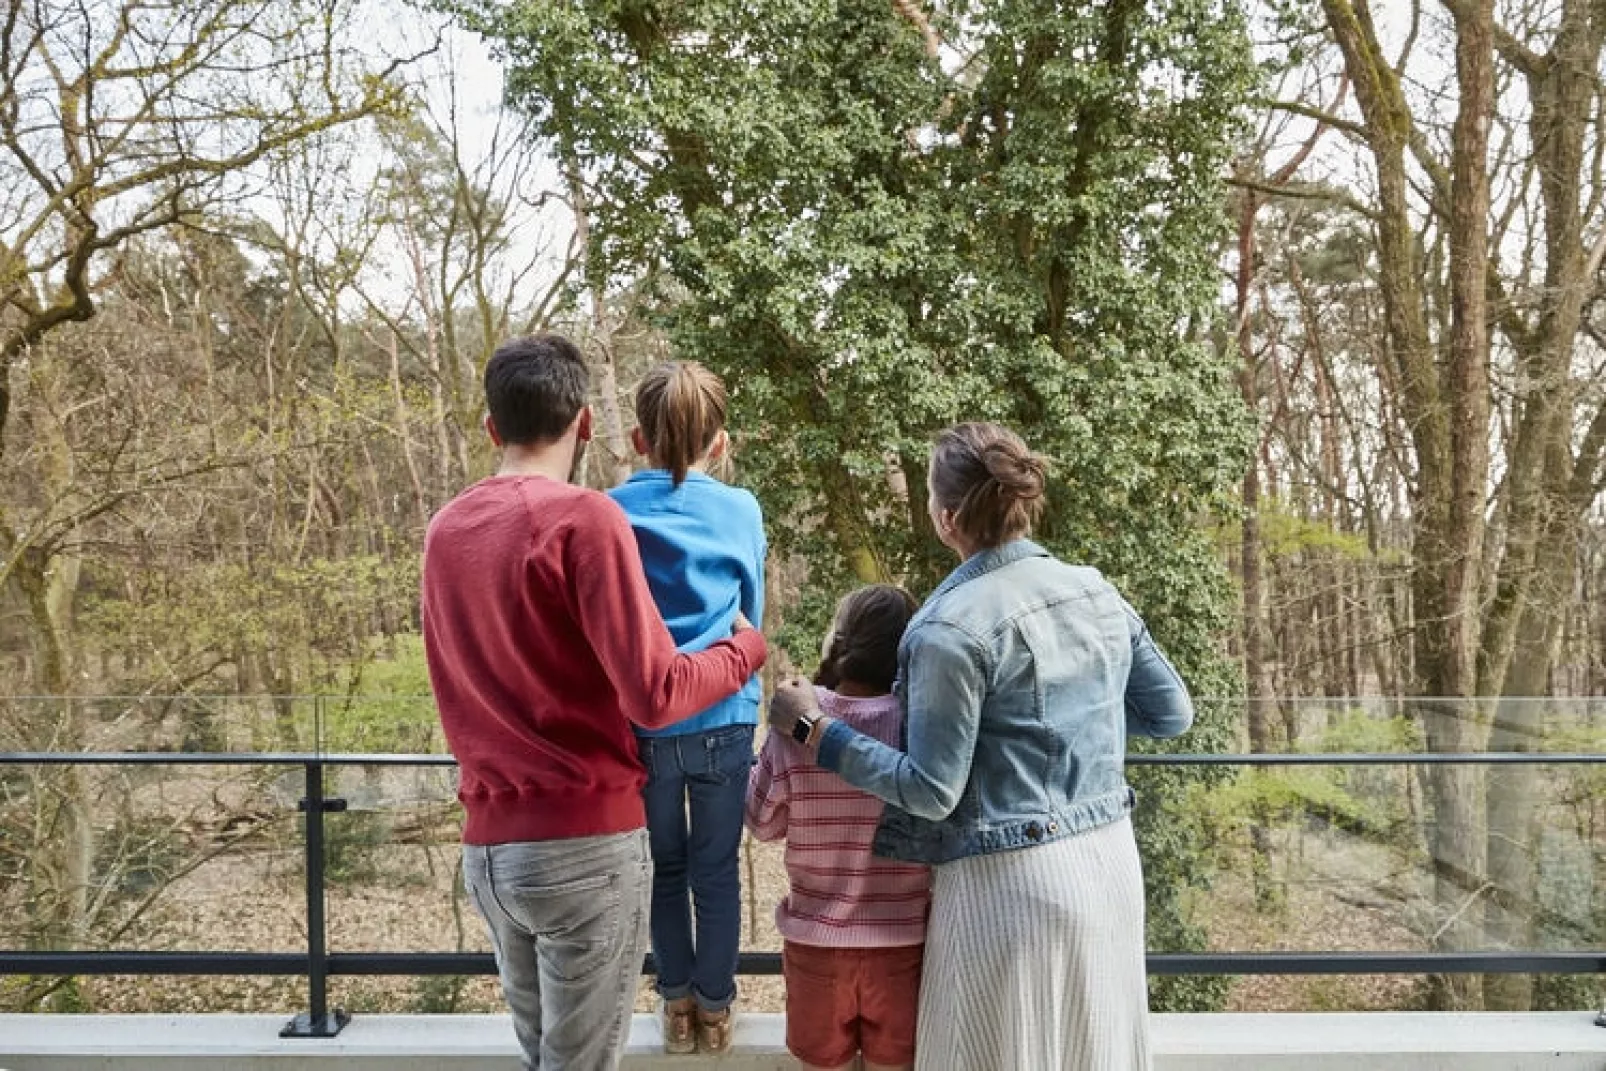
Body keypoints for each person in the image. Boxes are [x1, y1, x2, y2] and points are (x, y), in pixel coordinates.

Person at [767, 422, 1193, 1071]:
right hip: (1110, 864)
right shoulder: (1095, 590)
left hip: (1008, 888)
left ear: (945, 518)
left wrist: (813, 729)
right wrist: (1065, 719)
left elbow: (930, 791)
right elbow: (1171, 712)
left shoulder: (947, 626)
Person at [421, 334, 767, 1071]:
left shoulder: (444, 530)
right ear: (583, 423)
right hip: (583, 843)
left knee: (545, 1056)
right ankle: (710, 998)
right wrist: (748, 650)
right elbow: (654, 692)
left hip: (488, 852)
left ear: (492, 427)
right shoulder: (584, 519)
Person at [606, 360, 765, 1055]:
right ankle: (717, 1009)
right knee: (716, 869)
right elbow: (749, 615)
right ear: (720, 443)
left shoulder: (609, 509)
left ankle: (674, 1006)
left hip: (643, 723)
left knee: (663, 867)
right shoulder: (741, 508)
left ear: (637, 439)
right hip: (726, 715)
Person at [746, 584, 930, 1071]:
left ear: (839, 641)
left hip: (816, 948)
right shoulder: (920, 727)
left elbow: (762, 823)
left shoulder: (796, 724)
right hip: (904, 946)